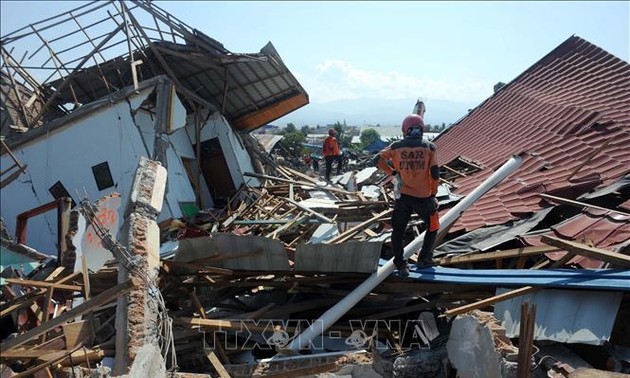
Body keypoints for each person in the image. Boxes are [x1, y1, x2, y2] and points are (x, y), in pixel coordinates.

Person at [373, 114, 440, 276]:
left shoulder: (396, 147)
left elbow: (377, 159)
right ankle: (424, 258)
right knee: (433, 226)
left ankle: (400, 264)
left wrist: (393, 173)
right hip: (424, 197)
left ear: (405, 129)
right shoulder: (429, 147)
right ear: (421, 129)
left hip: (403, 196)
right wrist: (433, 194)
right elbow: (435, 173)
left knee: (398, 230)